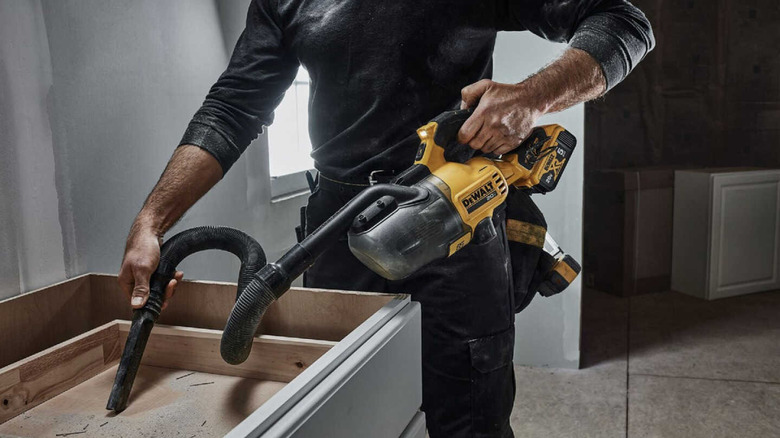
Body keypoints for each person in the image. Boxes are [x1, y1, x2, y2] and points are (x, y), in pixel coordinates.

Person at [118, 1, 654, 436]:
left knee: (469, 422)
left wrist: (531, 98)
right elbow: (234, 107)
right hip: (338, 233)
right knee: (343, 411)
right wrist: (152, 221)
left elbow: (623, 23)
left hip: (453, 223)